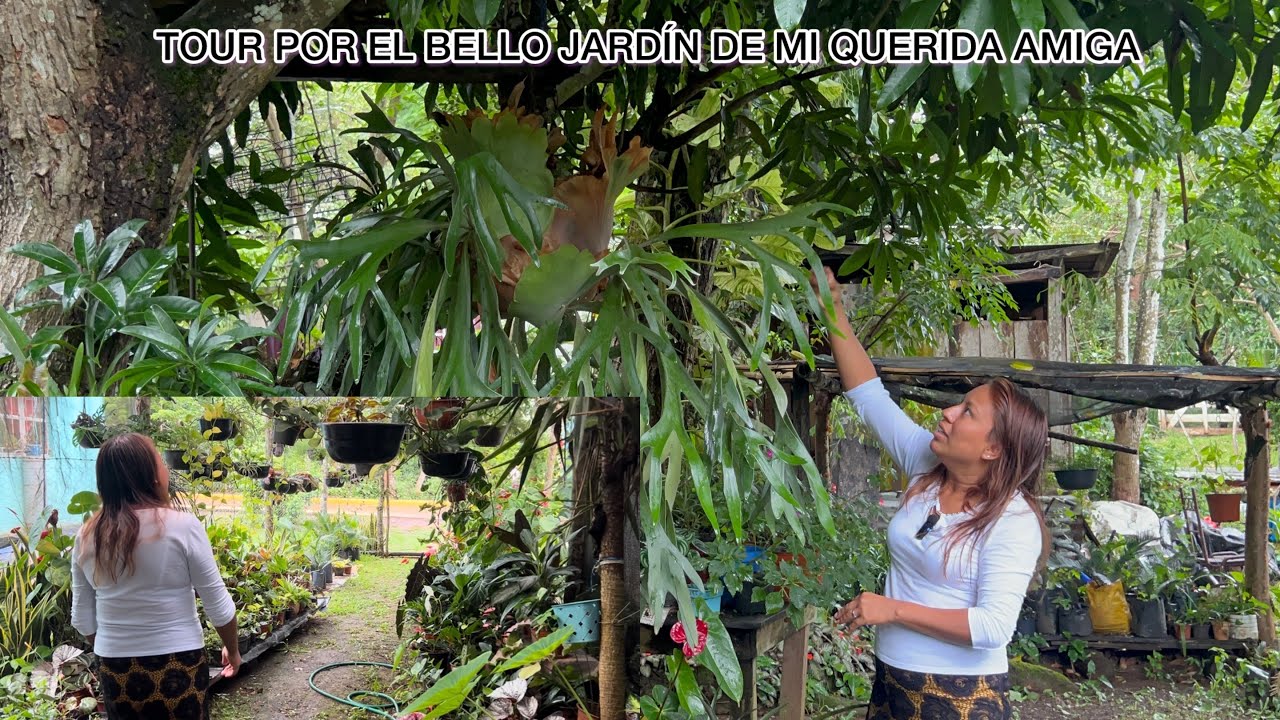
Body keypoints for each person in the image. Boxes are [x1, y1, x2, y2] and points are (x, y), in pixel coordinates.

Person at [811, 268, 1048, 720]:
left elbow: (994, 626)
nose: (949, 412)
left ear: (993, 447)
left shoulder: (1014, 521)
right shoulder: (928, 465)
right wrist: (834, 311)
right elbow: (869, 396)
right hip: (893, 678)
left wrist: (894, 610)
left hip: (960, 696)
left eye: (967, 413)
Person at [71, 433, 240, 720]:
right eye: (160, 461)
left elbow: (82, 618)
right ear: (151, 475)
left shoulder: (86, 535)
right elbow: (219, 607)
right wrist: (233, 652)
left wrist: (117, 644)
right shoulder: (182, 527)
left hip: (114, 667)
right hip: (179, 661)